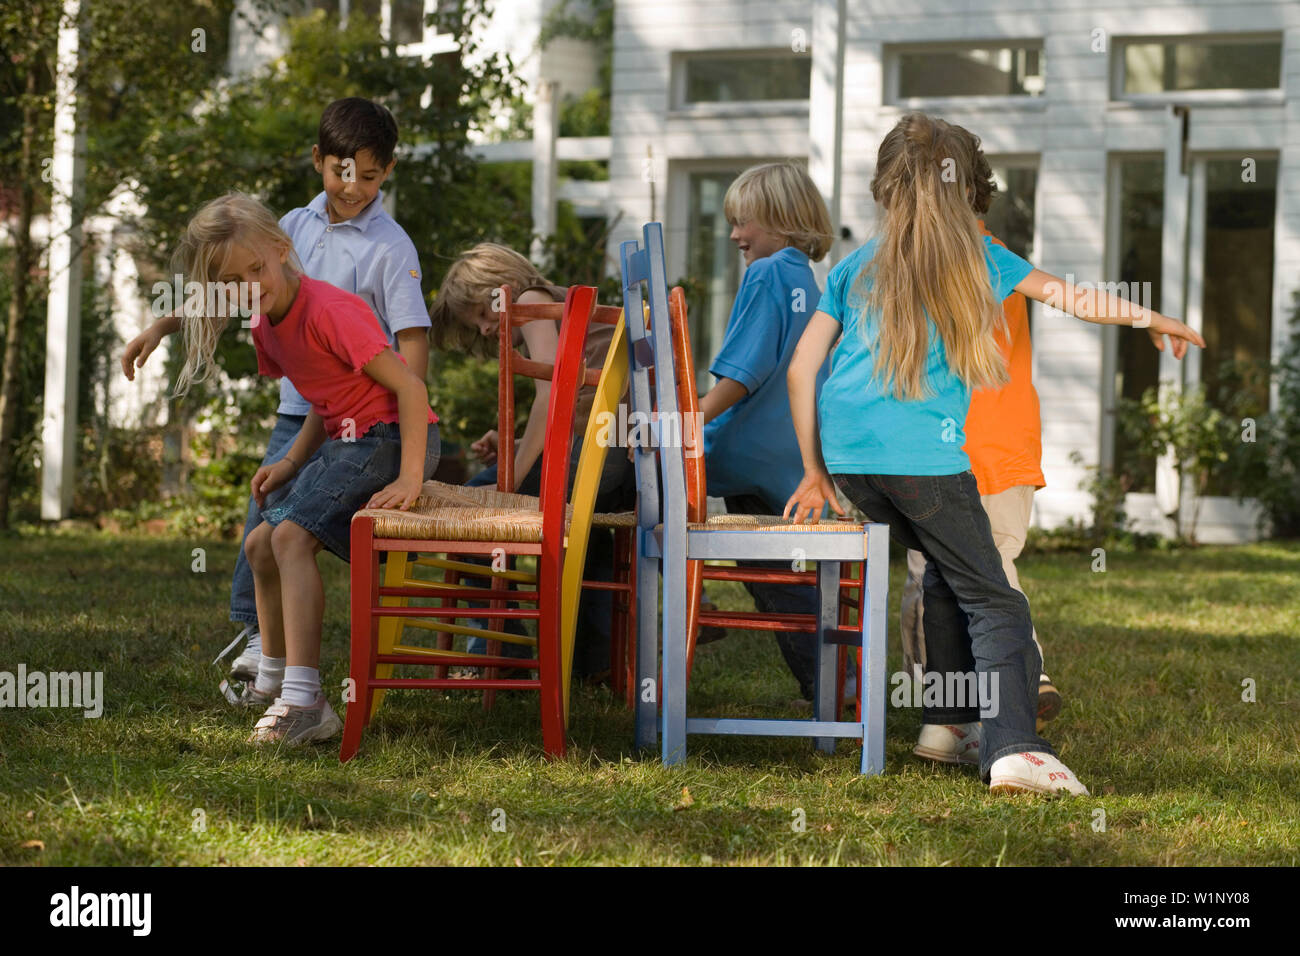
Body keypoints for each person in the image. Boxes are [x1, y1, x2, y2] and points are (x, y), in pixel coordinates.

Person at [784, 112, 1204, 795]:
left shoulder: (855, 266)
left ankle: (949, 723)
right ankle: (1015, 748)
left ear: (886, 189)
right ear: (968, 191)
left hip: (853, 461)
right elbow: (1073, 299)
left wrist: (813, 468)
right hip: (924, 463)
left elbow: (805, 368)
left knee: (950, 577)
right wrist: (1151, 318)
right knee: (996, 600)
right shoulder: (982, 256)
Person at [120, 98, 430, 687]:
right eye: (341, 170)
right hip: (308, 408)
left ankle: (291, 675)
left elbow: (410, 348)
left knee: (287, 534)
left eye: (368, 175)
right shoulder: (288, 227)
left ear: (387, 171)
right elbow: (230, 286)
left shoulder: (391, 247)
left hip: (369, 413)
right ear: (318, 160)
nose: (352, 186)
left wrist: (409, 441)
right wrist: (164, 324)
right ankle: (263, 645)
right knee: (261, 526)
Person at [170, 192, 438, 745]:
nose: (251, 284)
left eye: (257, 269)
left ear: (282, 248)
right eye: (233, 282)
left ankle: (306, 700)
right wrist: (291, 460)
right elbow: (325, 395)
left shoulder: (330, 310)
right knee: (259, 546)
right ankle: (272, 679)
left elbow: (411, 387)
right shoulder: (267, 325)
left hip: (393, 438)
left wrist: (411, 477)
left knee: (290, 539)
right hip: (345, 441)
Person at [901, 129, 1059, 765]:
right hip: (1008, 447)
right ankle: (984, 702)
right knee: (992, 567)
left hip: (947, 453)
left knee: (935, 580)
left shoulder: (931, 268)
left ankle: (955, 715)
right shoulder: (1001, 261)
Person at [428, 243, 634, 680]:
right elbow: (577, 408)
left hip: (585, 460)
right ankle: (590, 664)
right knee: (591, 547)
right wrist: (515, 441)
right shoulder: (562, 303)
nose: (484, 329)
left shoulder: (531, 300)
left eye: (484, 314)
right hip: (612, 462)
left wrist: (512, 475)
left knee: (470, 511)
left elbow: (552, 396)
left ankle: (503, 650)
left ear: (501, 286)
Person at [696, 161, 834, 703]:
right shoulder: (808, 280)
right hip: (792, 456)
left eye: (743, 221)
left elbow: (741, 375)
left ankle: (675, 606)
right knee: (773, 568)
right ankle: (826, 682)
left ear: (781, 219)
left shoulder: (767, 273)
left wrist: (683, 421)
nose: (734, 234)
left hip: (742, 445)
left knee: (627, 476)